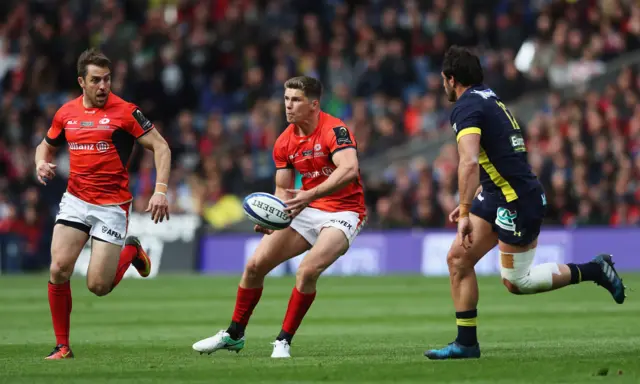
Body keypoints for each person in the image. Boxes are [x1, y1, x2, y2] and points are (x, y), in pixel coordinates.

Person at [424, 46, 626, 360]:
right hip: (496, 194)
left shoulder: (465, 107)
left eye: (443, 80)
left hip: (517, 200)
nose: (443, 86)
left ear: (451, 80)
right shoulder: (490, 98)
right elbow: (498, 157)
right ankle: (466, 344)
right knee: (458, 260)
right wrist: (471, 197)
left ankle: (595, 269)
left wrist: (465, 210)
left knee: (518, 282)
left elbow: (468, 161)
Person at [192, 76, 367, 358]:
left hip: (344, 211)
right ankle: (234, 334)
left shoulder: (335, 129)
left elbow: (349, 169)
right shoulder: (284, 141)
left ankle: (283, 340)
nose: (288, 105)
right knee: (254, 266)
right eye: (286, 99)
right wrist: (273, 217)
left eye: (295, 100)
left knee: (307, 271)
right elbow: (283, 193)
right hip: (305, 208)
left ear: (313, 104)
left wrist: (310, 195)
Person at [35, 48, 171, 359]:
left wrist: (160, 190)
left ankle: (131, 250)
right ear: (81, 81)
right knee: (58, 268)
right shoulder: (66, 113)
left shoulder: (126, 112)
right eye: (96, 80)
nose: (103, 87)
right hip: (76, 200)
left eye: (107, 80)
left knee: (98, 286)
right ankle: (63, 346)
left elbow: (161, 148)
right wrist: (41, 163)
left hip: (112, 206)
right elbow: (45, 145)